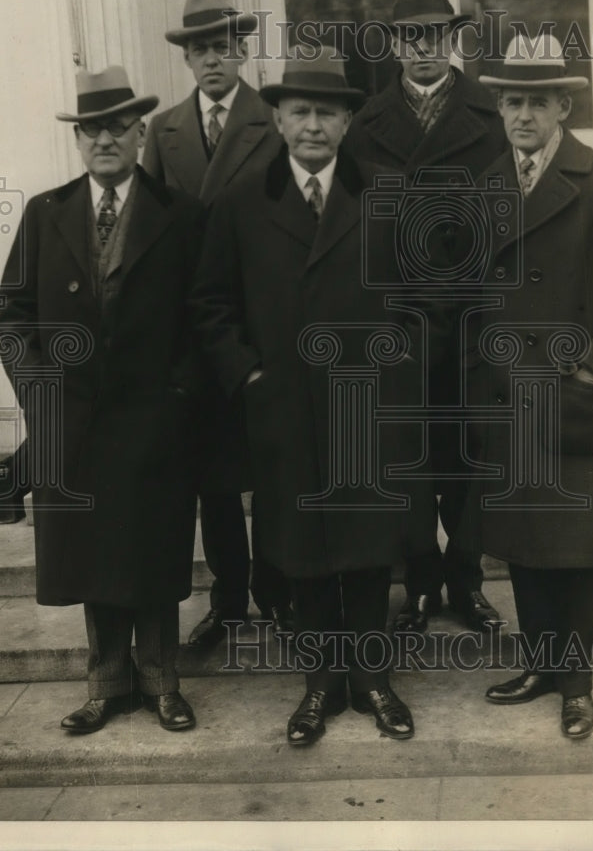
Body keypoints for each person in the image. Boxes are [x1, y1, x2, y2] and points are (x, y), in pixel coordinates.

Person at [194, 48, 438, 746]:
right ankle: (320, 683)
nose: (312, 126)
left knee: (365, 544)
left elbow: (426, 301)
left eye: (326, 113)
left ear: (348, 119)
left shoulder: (387, 193)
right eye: (298, 111)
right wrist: (248, 375)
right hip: (286, 411)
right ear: (275, 118)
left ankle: (372, 678)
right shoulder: (243, 203)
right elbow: (211, 305)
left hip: (366, 405)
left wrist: (393, 372)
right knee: (300, 551)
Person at [460, 34, 593, 738]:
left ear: (562, 106)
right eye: (511, 101)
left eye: (536, 102)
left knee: (575, 546)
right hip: (508, 396)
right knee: (524, 539)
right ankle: (541, 664)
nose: (522, 114)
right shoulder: (489, 185)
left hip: (573, 396)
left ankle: (575, 682)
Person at [0, 66, 203, 733]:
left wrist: (179, 392)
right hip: (75, 420)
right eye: (92, 128)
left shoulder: (180, 216)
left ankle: (162, 682)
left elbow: (206, 318)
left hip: (152, 417)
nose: (105, 137)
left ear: (141, 133)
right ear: (78, 140)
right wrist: (41, 394)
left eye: (118, 125)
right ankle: (106, 684)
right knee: (92, 551)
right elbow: (13, 315)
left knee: (152, 547)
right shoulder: (45, 213)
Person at [345, 0, 507, 634]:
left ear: (453, 40)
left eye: (435, 35)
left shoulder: (490, 117)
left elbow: (506, 220)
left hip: (469, 315)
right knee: (406, 452)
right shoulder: (365, 125)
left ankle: (465, 579)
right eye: (411, 37)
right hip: (399, 319)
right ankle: (418, 579)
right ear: (393, 46)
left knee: (471, 448)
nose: (423, 49)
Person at [142, 0, 291, 650]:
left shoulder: (273, 119)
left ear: (243, 50)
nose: (213, 59)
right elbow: (148, 229)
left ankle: (280, 591)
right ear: (187, 59)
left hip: (260, 322)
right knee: (213, 479)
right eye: (201, 48)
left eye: (226, 45)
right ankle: (229, 599)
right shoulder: (163, 129)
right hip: (192, 330)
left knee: (275, 465)